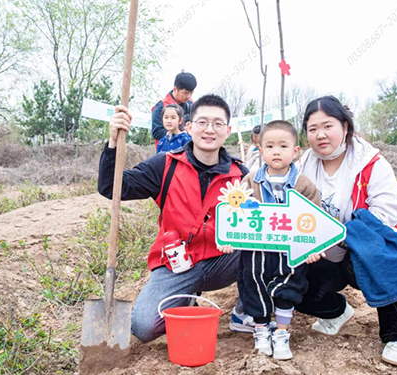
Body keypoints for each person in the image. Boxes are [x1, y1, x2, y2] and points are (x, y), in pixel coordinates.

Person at [99, 94, 257, 342]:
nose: (209, 130)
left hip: (224, 260)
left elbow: (262, 221)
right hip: (177, 263)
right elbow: (113, 187)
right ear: (189, 127)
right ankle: (183, 299)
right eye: (202, 122)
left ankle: (246, 309)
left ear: (227, 131)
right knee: (143, 327)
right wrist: (113, 142)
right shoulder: (166, 165)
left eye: (217, 124)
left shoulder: (241, 175)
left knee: (263, 249)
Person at [294, 96, 397, 367]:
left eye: (328, 126)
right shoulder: (302, 165)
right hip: (322, 251)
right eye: (312, 129)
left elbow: (388, 212)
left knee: (379, 259)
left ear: (345, 127)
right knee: (294, 285)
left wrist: (343, 233)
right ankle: (336, 311)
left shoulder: (370, 163)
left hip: (361, 247)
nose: (320, 135)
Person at [218, 121, 322, 360]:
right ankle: (261, 332)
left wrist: (313, 248)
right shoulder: (250, 181)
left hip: (289, 253)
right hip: (255, 253)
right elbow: (234, 214)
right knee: (254, 290)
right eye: (270, 146)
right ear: (260, 150)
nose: (277, 151)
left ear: (295, 151)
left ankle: (282, 335)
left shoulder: (303, 184)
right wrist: (227, 238)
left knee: (288, 289)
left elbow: (315, 220)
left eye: (283, 146)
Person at [151, 72, 197, 144]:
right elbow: (156, 133)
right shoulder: (161, 106)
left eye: (191, 93)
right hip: (167, 151)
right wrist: (180, 133)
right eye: (185, 93)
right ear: (175, 89)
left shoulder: (192, 105)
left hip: (188, 151)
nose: (188, 96)